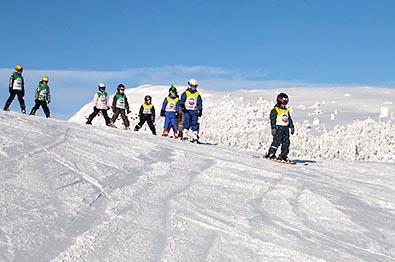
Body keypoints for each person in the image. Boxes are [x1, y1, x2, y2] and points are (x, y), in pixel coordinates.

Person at [265, 93, 295, 162]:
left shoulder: (286, 110)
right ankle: (271, 154)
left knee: (286, 143)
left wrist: (292, 127)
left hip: (285, 129)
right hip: (278, 128)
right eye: (284, 99)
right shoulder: (275, 109)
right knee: (276, 141)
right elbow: (272, 119)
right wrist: (273, 128)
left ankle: (283, 156)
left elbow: (289, 119)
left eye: (287, 99)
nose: (286, 101)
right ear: (280, 99)